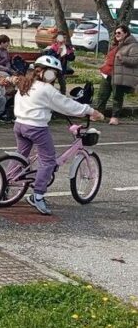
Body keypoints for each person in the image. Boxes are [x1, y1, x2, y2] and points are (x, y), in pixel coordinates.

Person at [12, 56, 104, 215]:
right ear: (40, 71)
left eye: (55, 74)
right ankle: (38, 196)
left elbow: (43, 104)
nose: (53, 76)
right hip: (36, 128)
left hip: (19, 125)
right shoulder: (47, 89)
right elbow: (67, 105)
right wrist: (90, 111)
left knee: (20, 156)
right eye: (51, 73)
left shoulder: (25, 84)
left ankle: (7, 184)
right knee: (48, 161)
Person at [96, 24, 138, 126]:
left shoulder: (133, 45)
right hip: (107, 73)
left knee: (117, 97)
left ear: (126, 33)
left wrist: (122, 58)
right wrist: (104, 66)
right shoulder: (115, 44)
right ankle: (99, 114)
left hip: (119, 75)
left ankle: (115, 117)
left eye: (119, 33)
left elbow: (135, 60)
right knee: (102, 95)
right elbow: (109, 58)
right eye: (115, 33)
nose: (116, 35)